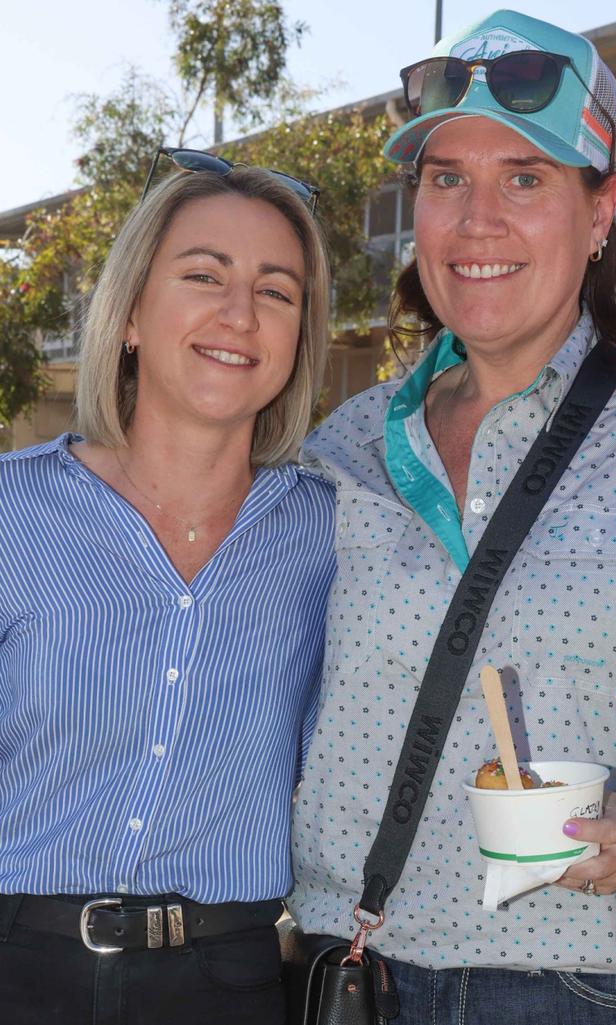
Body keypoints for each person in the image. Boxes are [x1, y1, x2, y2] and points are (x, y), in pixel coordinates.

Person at [288, 10, 616, 1024]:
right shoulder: (345, 443)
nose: (477, 220)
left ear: (602, 212)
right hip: (358, 975)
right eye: (446, 178)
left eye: (526, 178)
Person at [0, 155, 335, 1025]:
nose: (238, 314)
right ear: (133, 314)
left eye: (276, 291)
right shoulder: (13, 512)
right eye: (203, 276)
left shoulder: (334, 533)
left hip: (230, 981)